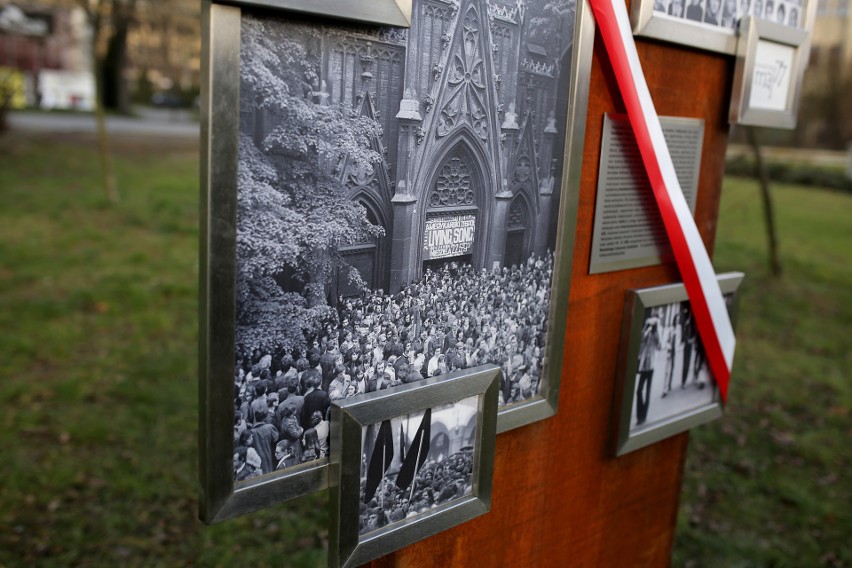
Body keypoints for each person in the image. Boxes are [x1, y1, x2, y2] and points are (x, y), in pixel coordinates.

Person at [635, 316, 661, 426]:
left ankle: (643, 416)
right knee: (639, 390)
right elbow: (640, 344)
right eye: (649, 324)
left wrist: (655, 334)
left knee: (647, 391)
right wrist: (646, 331)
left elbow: (659, 346)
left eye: (652, 325)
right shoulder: (644, 333)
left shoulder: (656, 334)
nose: (650, 326)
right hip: (643, 366)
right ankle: (639, 415)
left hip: (651, 366)